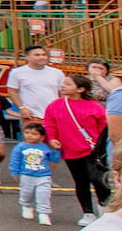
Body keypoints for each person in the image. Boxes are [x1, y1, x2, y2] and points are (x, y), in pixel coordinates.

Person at [45, 73, 111, 223]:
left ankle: (104, 206)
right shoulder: (56, 105)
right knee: (80, 181)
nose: (63, 86)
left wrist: (102, 146)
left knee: (98, 179)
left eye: (68, 84)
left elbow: (104, 126)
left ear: (80, 89)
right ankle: (87, 212)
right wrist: (53, 138)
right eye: (64, 83)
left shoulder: (95, 106)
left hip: (93, 150)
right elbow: (50, 123)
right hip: (70, 149)